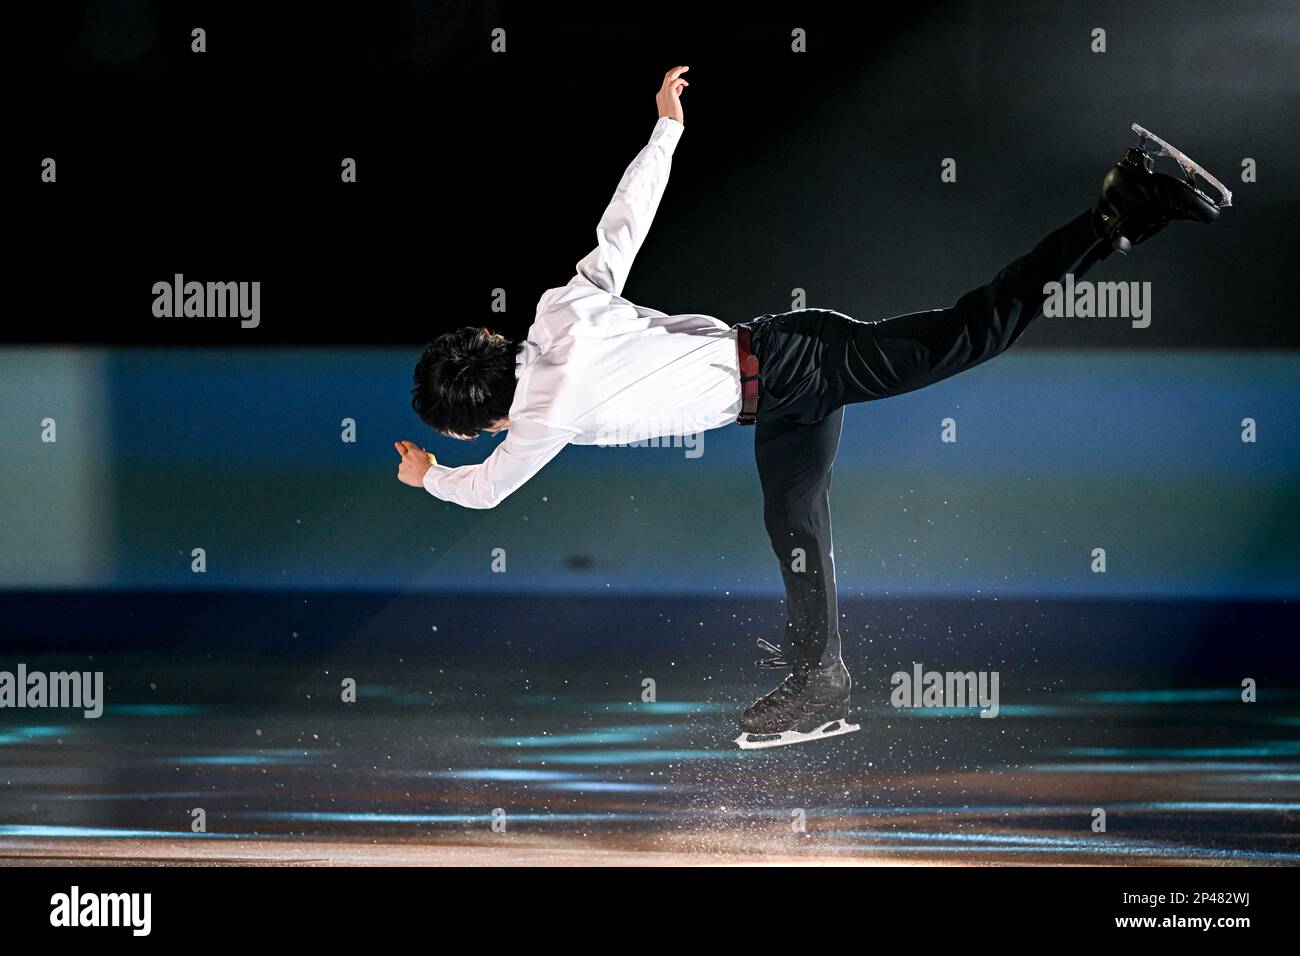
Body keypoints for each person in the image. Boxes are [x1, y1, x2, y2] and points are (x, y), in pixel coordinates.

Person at [396, 65, 1221, 747]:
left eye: (472, 429)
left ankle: (1120, 207)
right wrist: (666, 128)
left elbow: (490, 489)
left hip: (798, 367)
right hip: (778, 386)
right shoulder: (555, 310)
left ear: (482, 418)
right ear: (490, 339)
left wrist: (431, 475)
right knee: (793, 523)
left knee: (974, 334)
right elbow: (623, 224)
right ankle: (819, 683)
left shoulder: (543, 417)